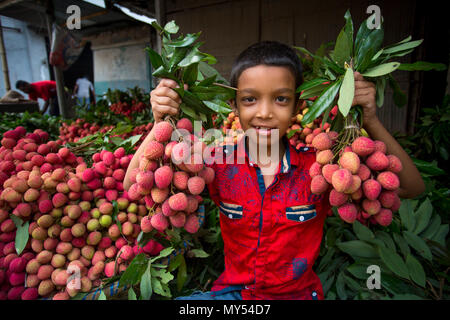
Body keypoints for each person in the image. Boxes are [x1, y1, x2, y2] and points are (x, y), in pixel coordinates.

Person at [124, 41, 425, 300]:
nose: (265, 112)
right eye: (250, 99)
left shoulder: (319, 169)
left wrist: (370, 119)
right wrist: (160, 122)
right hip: (236, 294)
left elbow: (411, 188)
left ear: (297, 107)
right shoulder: (217, 162)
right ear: (234, 106)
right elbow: (132, 187)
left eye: (280, 99)